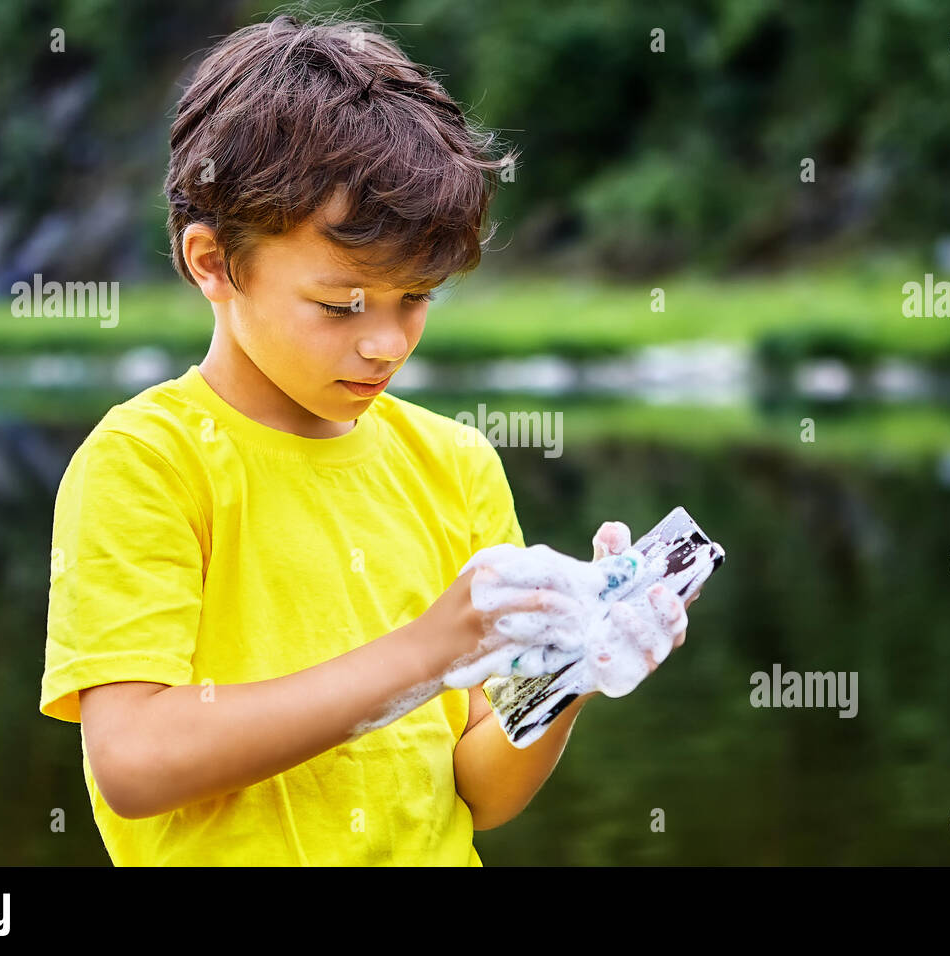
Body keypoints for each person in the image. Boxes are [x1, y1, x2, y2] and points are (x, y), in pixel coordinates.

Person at [39, 11, 690, 866]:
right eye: (342, 304)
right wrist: (426, 653)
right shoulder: (148, 462)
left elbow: (482, 791)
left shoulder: (455, 465)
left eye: (417, 296)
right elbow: (135, 761)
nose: (386, 342)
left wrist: (570, 669)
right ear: (213, 262)